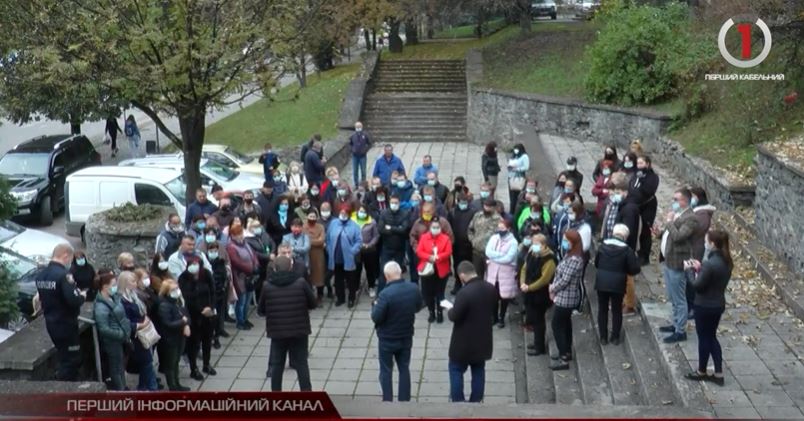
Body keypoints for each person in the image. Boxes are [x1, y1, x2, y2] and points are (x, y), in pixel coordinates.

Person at [259, 256, 316, 390]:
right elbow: (313, 303)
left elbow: (261, 310)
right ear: (291, 267)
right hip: (299, 331)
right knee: (302, 364)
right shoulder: (301, 283)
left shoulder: (267, 286)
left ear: (275, 268)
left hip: (277, 332)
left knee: (277, 365)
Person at [684, 230, 732, 387]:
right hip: (717, 304)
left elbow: (697, 286)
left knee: (705, 338)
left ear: (712, 244)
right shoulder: (726, 261)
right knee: (711, 337)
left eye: (706, 241)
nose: (704, 243)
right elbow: (711, 280)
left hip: (704, 305)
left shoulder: (710, 264)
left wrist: (690, 270)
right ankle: (716, 372)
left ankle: (703, 371)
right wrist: (700, 269)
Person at [371, 261, 423, 402]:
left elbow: (376, 317)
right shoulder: (413, 288)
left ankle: (388, 401)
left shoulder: (385, 295)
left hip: (387, 339)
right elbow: (418, 306)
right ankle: (404, 401)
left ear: (387, 276)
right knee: (404, 368)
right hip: (406, 336)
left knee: (386, 371)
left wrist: (374, 305)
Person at [448, 261, 496, 402]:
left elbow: (455, 316)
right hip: (483, 339)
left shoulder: (464, 293)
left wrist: (450, 310)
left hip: (463, 342)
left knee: (456, 370)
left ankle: (458, 401)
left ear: (462, 275)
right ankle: (476, 401)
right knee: (478, 371)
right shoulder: (490, 288)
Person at [36, 244, 85, 381]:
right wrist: (82, 296)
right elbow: (73, 300)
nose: (70, 262)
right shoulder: (64, 275)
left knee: (64, 356)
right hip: (66, 324)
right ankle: (64, 390)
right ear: (65, 255)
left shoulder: (41, 275)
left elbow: (42, 298)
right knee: (72, 360)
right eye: (70, 258)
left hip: (51, 322)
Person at [657, 188, 699, 344]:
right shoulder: (678, 215)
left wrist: (669, 223)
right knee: (672, 296)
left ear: (685, 201)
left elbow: (679, 236)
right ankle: (675, 323)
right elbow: (669, 235)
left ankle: (680, 331)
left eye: (676, 199)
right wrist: (660, 232)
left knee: (679, 298)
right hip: (668, 260)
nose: (673, 202)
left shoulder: (691, 218)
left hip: (677, 263)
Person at [595, 224, 640, 345]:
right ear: (625, 236)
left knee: (602, 309)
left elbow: (596, 263)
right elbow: (634, 269)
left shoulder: (602, 246)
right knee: (616, 310)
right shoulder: (627, 250)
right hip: (618, 284)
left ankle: (603, 337)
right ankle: (615, 337)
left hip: (601, 282)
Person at [176, 256, 216, 380]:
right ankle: (194, 368)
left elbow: (213, 292)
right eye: (191, 264)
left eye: (196, 263)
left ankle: (206, 364)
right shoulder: (183, 278)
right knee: (193, 343)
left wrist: (211, 307)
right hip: (193, 315)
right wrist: (200, 310)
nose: (194, 266)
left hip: (208, 314)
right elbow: (186, 298)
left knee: (207, 340)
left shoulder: (206, 274)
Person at [549, 230, 584, 370]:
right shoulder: (570, 256)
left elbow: (565, 280)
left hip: (566, 297)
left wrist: (553, 288)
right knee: (565, 324)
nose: (564, 242)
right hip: (564, 296)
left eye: (566, 240)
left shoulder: (575, 260)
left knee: (556, 324)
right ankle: (566, 351)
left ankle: (563, 355)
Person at [117, 271, 157, 390]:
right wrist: (140, 324)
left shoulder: (133, 295)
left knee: (146, 363)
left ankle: (143, 387)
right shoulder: (122, 301)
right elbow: (125, 320)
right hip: (135, 335)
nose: (135, 284)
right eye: (132, 281)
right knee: (147, 363)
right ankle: (151, 388)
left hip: (141, 333)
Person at [519, 234, 556, 356]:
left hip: (540, 294)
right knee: (534, 319)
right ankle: (536, 342)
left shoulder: (549, 259)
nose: (534, 246)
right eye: (533, 243)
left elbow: (545, 279)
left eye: (537, 244)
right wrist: (523, 283)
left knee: (539, 320)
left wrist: (529, 287)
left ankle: (539, 346)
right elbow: (524, 268)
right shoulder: (532, 253)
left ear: (544, 245)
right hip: (529, 291)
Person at [93, 271, 130, 390]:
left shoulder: (113, 297)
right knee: (116, 366)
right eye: (113, 284)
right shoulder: (100, 306)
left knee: (120, 366)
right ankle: (120, 390)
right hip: (113, 341)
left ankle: (124, 387)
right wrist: (120, 334)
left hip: (121, 337)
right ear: (105, 286)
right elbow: (103, 328)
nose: (116, 287)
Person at [158, 279, 192, 391]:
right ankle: (172, 385)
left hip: (179, 337)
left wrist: (186, 324)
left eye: (177, 288)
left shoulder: (177, 301)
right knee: (171, 364)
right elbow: (167, 323)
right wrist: (183, 322)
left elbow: (186, 315)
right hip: (170, 339)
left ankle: (177, 383)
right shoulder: (164, 305)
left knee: (176, 361)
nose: (177, 291)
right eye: (173, 290)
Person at [416, 219, 453, 323]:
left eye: (437, 227)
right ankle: (431, 312)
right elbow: (419, 251)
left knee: (440, 293)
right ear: (430, 228)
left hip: (441, 269)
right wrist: (429, 257)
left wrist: (438, 257)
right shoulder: (424, 238)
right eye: (433, 227)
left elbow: (448, 252)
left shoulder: (445, 239)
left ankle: (440, 312)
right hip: (427, 269)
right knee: (428, 293)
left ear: (440, 228)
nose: (435, 229)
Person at [326, 206, 363, 308]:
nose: (343, 215)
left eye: (345, 213)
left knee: (351, 280)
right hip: (336, 257)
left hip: (348, 258)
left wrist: (352, 251)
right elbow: (328, 238)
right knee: (338, 279)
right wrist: (329, 250)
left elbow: (359, 241)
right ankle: (340, 298)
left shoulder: (354, 226)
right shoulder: (333, 223)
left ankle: (351, 298)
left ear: (349, 214)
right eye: (341, 213)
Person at [485, 219, 519, 328]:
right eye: (499, 228)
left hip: (506, 274)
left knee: (504, 297)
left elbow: (509, 258)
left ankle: (502, 317)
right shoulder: (494, 238)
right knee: (493, 296)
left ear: (508, 229)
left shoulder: (513, 242)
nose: (500, 230)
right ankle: (493, 316)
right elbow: (488, 252)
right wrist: (500, 255)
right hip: (493, 273)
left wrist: (494, 258)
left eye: (502, 228)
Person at [689, 187, 716, 315]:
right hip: (694, 247)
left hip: (697, 248)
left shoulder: (703, 214)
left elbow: (696, 230)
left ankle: (694, 305)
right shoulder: (697, 212)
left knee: (694, 275)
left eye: (692, 196)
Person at [227, 225, 260, 330]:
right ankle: (240, 321)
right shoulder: (231, 247)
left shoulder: (245, 244)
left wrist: (256, 265)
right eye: (238, 234)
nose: (241, 236)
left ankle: (245, 319)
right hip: (239, 278)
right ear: (232, 235)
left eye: (241, 233)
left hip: (249, 278)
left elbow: (253, 255)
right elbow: (237, 262)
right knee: (241, 301)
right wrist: (250, 269)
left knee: (247, 300)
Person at [630, 155, 660, 265]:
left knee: (645, 231)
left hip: (647, 206)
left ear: (647, 164)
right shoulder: (635, 174)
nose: (639, 166)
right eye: (638, 163)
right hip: (635, 205)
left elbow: (649, 191)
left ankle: (644, 255)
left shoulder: (653, 177)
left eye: (641, 163)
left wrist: (642, 179)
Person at [377, 195, 410, 293]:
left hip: (400, 248)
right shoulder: (384, 213)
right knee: (383, 271)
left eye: (396, 203)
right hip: (386, 247)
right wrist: (397, 228)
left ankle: (397, 292)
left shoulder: (405, 214)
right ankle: (380, 293)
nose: (394, 205)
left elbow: (404, 229)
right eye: (392, 203)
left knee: (398, 272)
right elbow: (381, 229)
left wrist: (390, 228)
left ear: (399, 203)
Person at [468, 199, 502, 282]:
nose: (487, 208)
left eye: (489, 206)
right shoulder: (478, 215)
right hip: (477, 251)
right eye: (485, 206)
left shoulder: (499, 220)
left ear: (494, 207)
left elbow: (501, 236)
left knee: (491, 277)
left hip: (490, 254)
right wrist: (473, 240)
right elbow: (470, 229)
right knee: (476, 276)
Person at [448, 193, 477, 295]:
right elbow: (449, 227)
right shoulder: (452, 212)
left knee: (469, 264)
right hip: (456, 244)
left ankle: (469, 284)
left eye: (465, 203)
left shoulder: (473, 212)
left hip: (468, 245)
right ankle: (458, 283)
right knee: (457, 264)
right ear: (457, 201)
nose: (463, 204)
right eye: (461, 202)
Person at [205, 242, 230, 348]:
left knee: (218, 316)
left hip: (219, 293)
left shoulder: (220, 262)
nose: (213, 253)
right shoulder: (205, 262)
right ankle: (210, 337)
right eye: (211, 251)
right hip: (209, 294)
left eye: (215, 250)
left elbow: (223, 276)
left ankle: (216, 337)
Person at [353, 205, 380, 298]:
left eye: (364, 211)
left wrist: (369, 244)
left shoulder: (372, 222)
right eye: (360, 211)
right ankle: (356, 287)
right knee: (357, 269)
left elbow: (376, 236)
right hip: (356, 250)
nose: (362, 213)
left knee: (370, 270)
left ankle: (371, 287)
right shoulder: (353, 221)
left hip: (369, 250)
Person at [303, 210, 327, 303]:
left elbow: (322, 240)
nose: (312, 218)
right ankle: (309, 296)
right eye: (310, 216)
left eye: (314, 217)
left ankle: (320, 295)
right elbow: (304, 238)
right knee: (308, 275)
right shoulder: (304, 227)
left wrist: (309, 240)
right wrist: (316, 240)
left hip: (318, 254)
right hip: (307, 253)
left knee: (319, 275)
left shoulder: (320, 227)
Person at [507, 143, 530, 214]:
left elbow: (526, 167)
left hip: (518, 178)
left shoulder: (524, 156)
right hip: (511, 178)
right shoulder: (514, 156)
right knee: (511, 197)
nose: (515, 151)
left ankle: (514, 211)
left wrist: (516, 169)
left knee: (516, 196)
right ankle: (511, 211)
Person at [349, 121, 372, 185]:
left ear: (362, 127)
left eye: (359, 127)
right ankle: (356, 184)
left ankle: (363, 184)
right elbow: (350, 144)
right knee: (355, 171)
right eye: (357, 127)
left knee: (363, 171)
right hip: (355, 156)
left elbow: (369, 143)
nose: (358, 128)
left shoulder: (365, 135)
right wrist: (352, 150)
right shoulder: (353, 136)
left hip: (362, 156)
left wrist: (365, 150)